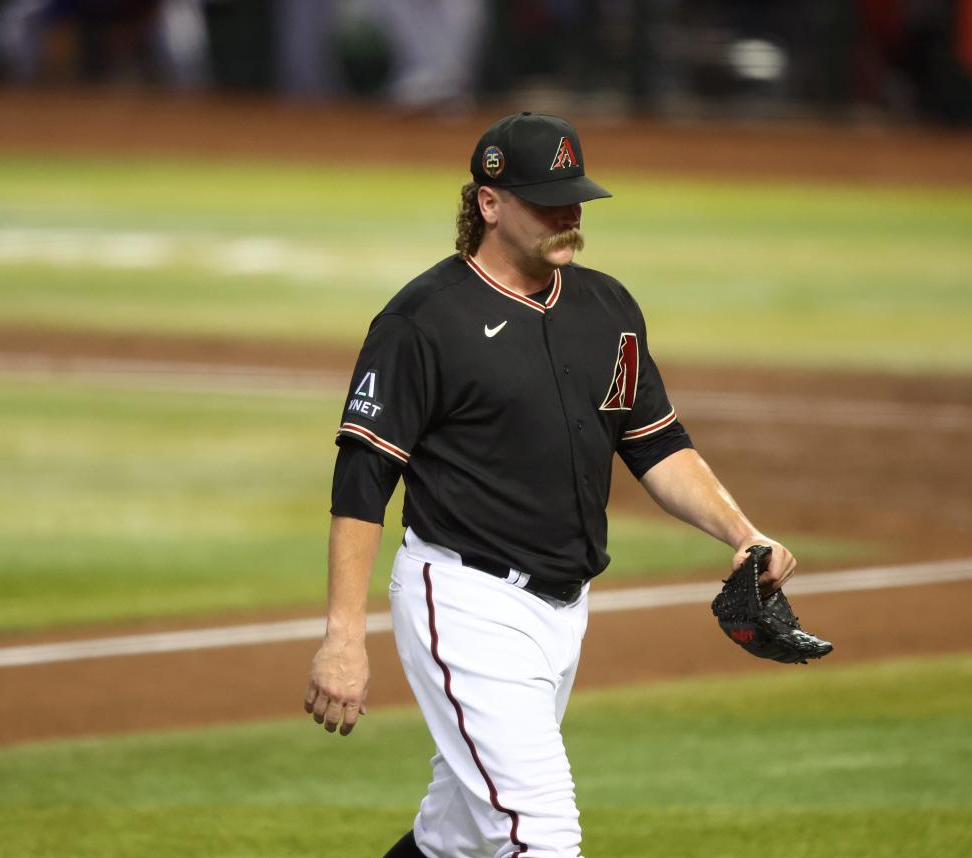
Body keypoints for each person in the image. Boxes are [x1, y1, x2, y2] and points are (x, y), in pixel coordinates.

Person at [304, 112, 797, 858]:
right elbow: (364, 476)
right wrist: (344, 635)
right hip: (466, 602)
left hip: (565, 612)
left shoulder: (607, 309)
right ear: (489, 204)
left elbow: (655, 442)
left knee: (459, 837)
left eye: (576, 197)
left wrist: (744, 533)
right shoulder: (422, 321)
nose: (569, 214)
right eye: (548, 199)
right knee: (540, 835)